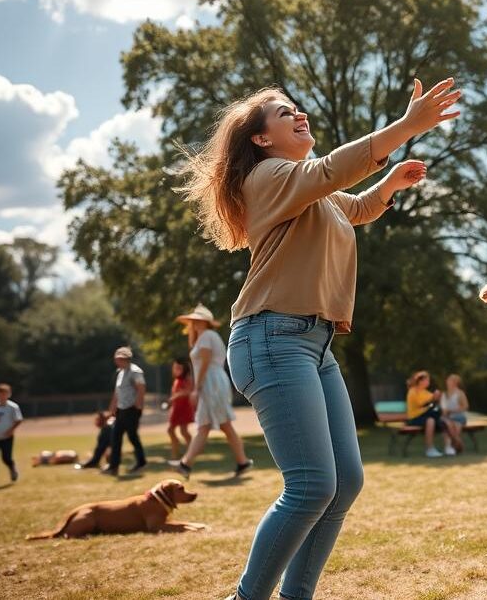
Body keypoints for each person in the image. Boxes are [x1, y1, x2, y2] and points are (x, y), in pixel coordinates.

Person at [177, 77, 460, 600]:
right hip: (272, 337)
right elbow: (332, 170)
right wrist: (407, 126)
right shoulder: (269, 177)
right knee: (311, 486)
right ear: (261, 140)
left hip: (315, 345)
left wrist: (389, 186)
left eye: (297, 109)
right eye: (285, 114)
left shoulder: (312, 193)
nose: (299, 115)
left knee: (343, 484)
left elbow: (352, 208)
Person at [172, 304, 250, 479]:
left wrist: (196, 389)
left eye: (197, 320)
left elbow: (205, 364)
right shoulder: (202, 338)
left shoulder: (208, 335)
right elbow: (197, 357)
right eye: (192, 321)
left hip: (212, 383)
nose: (194, 323)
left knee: (222, 424)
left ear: (206, 322)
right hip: (210, 382)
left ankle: (186, 464)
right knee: (207, 425)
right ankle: (186, 464)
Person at [102, 346, 146, 476]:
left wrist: (138, 405)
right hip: (121, 410)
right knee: (115, 437)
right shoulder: (120, 372)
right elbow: (117, 393)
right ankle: (113, 466)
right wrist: (112, 409)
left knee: (133, 437)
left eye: (120, 358)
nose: (118, 361)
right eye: (117, 358)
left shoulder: (135, 371)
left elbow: (141, 388)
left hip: (131, 409)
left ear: (127, 359)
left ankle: (141, 462)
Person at [406, 371, 464, 458]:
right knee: (431, 420)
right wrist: (433, 398)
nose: (428, 382)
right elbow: (420, 404)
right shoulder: (413, 391)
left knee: (443, 420)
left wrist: (437, 397)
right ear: (420, 381)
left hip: (425, 416)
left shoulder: (425, 392)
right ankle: (430, 449)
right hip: (414, 418)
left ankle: (451, 445)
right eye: (427, 380)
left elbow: (432, 403)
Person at [166, 357, 195, 461]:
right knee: (170, 430)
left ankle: (190, 451)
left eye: (178, 368)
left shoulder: (187, 379)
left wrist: (177, 396)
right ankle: (176, 452)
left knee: (183, 431)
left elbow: (189, 391)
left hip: (184, 408)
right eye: (175, 368)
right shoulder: (177, 380)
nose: (176, 370)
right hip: (176, 408)